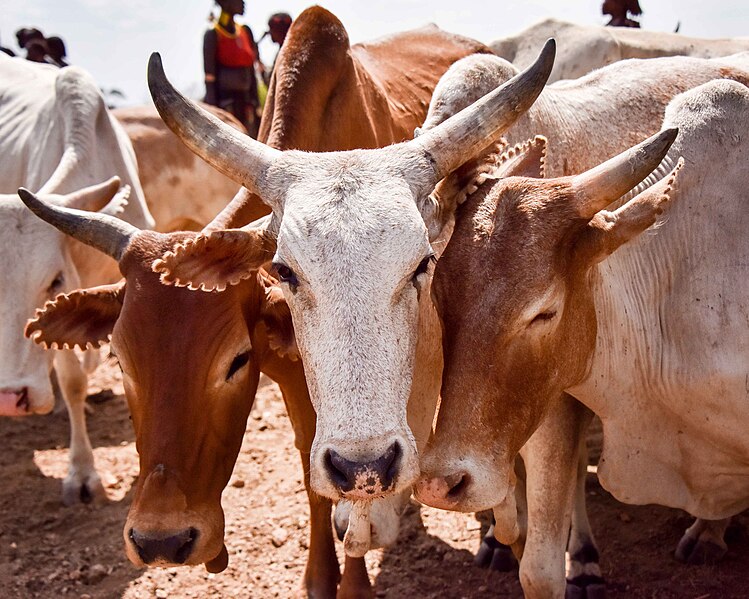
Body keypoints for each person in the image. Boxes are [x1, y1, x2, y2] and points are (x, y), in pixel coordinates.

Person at [203, 0, 263, 137]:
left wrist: (257, 105)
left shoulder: (245, 31)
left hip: (248, 105)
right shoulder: (213, 34)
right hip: (226, 107)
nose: (243, 3)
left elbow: (251, 72)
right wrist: (214, 114)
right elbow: (209, 78)